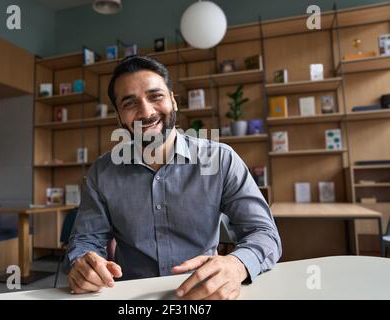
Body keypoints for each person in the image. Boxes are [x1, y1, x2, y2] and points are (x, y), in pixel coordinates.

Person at [66, 55, 281, 300]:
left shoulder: (221, 160)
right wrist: (82, 264)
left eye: (155, 96)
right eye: (129, 103)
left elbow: (264, 232)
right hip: (132, 299)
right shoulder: (102, 172)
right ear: (118, 117)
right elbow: (85, 241)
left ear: (173, 101)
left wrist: (237, 264)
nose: (146, 112)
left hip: (206, 295)